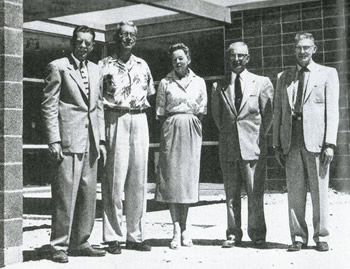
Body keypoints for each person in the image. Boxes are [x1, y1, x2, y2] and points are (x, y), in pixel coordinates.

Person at [41, 25, 107, 263]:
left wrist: (101, 140)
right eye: (79, 42)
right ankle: (59, 244)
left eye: (87, 43)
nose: (83, 46)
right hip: (68, 140)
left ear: (92, 46)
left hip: (90, 141)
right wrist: (54, 139)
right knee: (64, 195)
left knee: (88, 195)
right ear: (72, 43)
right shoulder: (58, 67)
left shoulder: (95, 69)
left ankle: (81, 241)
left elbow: (98, 105)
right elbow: (49, 106)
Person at [273, 32, 339, 252]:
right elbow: (278, 112)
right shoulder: (283, 77)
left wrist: (330, 143)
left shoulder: (328, 74)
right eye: (299, 48)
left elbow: (332, 111)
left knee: (320, 191)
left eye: (307, 47)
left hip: (317, 143)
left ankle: (321, 236)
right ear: (294, 50)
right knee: (295, 192)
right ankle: (298, 236)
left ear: (314, 49)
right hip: (291, 141)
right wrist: (277, 144)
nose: (302, 52)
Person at [99, 21, 155, 254]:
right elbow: (98, 102)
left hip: (139, 119)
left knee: (138, 181)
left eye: (132, 35)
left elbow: (149, 93)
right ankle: (113, 237)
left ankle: (135, 236)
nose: (128, 39)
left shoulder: (143, 65)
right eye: (123, 35)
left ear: (136, 38)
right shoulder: (104, 65)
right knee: (114, 179)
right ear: (116, 37)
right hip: (116, 117)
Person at [211, 42, 274, 248]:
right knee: (231, 193)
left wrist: (256, 136)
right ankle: (233, 233)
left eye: (240, 56)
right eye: (232, 56)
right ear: (228, 58)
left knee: (255, 192)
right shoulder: (218, 86)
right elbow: (218, 117)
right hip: (229, 146)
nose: (236, 59)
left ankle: (257, 234)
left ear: (247, 58)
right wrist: (232, 134)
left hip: (253, 145)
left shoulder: (262, 83)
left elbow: (268, 116)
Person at [155, 43, 207, 249]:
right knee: (172, 180)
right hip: (171, 127)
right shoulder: (165, 82)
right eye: (174, 59)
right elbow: (160, 112)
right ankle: (175, 228)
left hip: (192, 127)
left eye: (181, 58)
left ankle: (185, 227)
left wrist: (189, 123)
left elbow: (202, 111)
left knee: (187, 179)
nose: (178, 62)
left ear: (189, 59)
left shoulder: (199, 81)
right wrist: (172, 125)